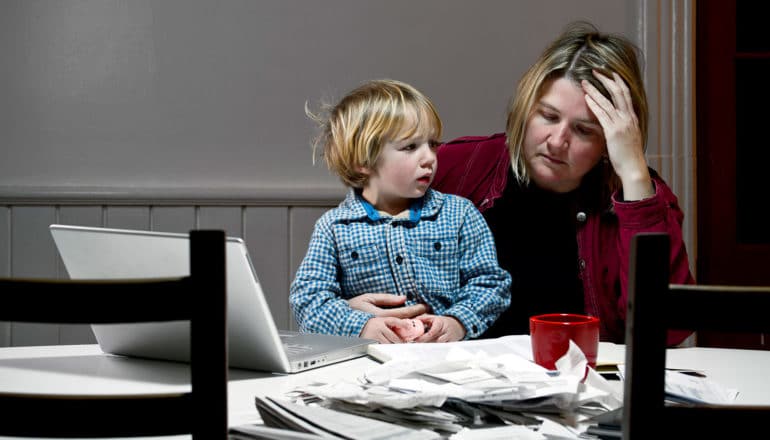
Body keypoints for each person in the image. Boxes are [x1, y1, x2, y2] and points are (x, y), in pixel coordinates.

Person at [347, 23, 694, 345]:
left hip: (581, 394)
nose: (557, 142)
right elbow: (351, 266)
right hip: (453, 386)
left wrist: (634, 174)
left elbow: (669, 329)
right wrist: (354, 306)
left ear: (611, 140)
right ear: (526, 107)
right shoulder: (456, 167)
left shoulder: (643, 198)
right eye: (548, 116)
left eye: (584, 130)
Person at [290, 79, 511, 344]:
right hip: (368, 362)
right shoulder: (334, 227)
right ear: (363, 160)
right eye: (410, 147)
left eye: (432, 144)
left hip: (448, 360)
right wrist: (362, 326)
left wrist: (457, 322)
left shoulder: (459, 214)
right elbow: (309, 301)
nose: (429, 158)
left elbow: (491, 283)